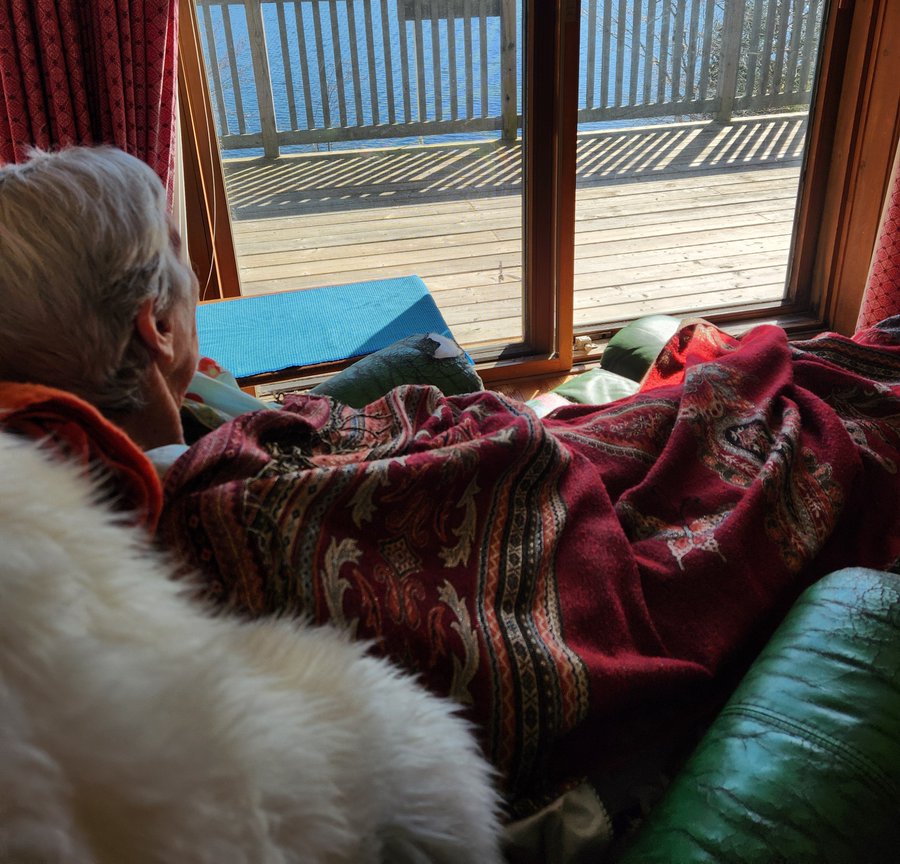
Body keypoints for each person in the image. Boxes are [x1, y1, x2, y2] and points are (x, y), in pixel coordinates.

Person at [2, 144, 900, 838]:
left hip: (538, 474)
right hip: (580, 534)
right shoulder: (233, 509)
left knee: (749, 386)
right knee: (802, 411)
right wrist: (483, 425)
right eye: (182, 272)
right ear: (156, 329)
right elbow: (506, 481)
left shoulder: (67, 566)